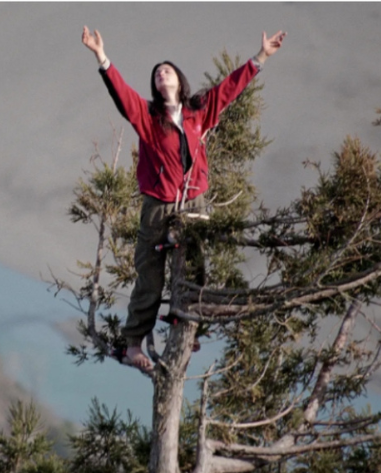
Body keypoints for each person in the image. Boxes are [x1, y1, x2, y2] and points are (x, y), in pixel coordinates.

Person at [81, 26, 286, 373]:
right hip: (157, 205)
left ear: (179, 80)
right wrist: (102, 57)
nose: (162, 74)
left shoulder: (198, 110)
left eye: (168, 70)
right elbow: (123, 96)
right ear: (156, 86)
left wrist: (261, 57)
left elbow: (228, 90)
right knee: (150, 275)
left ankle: (186, 332)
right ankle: (133, 345)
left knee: (194, 271)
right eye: (157, 73)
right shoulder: (148, 118)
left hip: (194, 203)